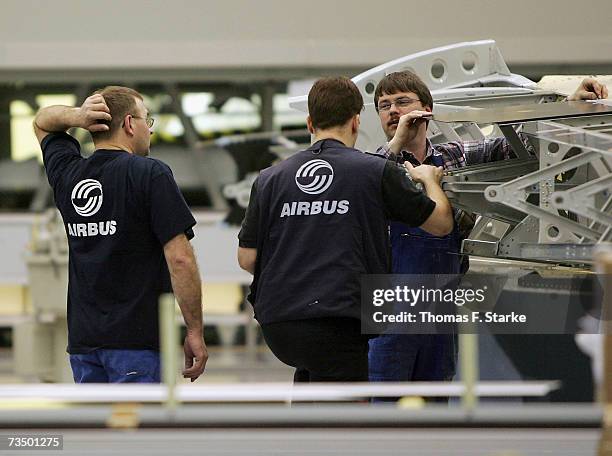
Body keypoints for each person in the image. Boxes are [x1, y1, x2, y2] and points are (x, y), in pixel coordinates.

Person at [368, 70, 608, 397]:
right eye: (384, 106)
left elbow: (520, 146)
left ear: (426, 109)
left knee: (435, 402)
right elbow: (367, 185)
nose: (393, 111)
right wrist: (396, 143)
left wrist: (570, 103)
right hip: (389, 304)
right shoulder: (379, 166)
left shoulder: (454, 156)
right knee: (382, 401)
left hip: (441, 303)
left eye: (402, 102)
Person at [236, 77, 454, 383]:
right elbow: (441, 224)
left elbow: (247, 259)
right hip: (341, 321)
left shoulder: (270, 178)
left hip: (280, 324)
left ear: (310, 123)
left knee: (312, 386)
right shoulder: (373, 171)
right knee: (346, 419)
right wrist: (430, 180)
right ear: (355, 122)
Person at [33, 86, 208, 383]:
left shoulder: (68, 174)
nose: (149, 131)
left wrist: (77, 116)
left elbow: (41, 122)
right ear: (129, 124)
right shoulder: (150, 173)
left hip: (84, 345)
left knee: (100, 429)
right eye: (146, 121)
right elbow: (180, 259)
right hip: (138, 343)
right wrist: (194, 330)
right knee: (137, 428)